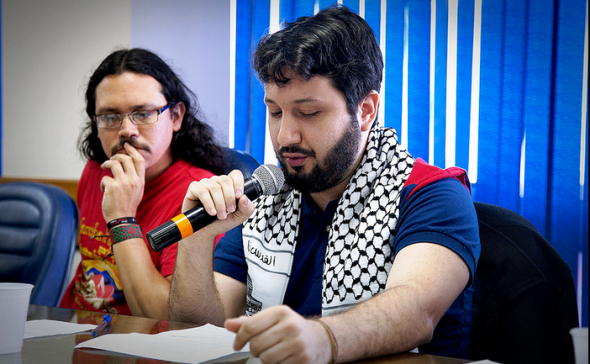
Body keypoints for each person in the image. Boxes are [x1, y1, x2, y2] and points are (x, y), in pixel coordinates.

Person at [169, 5, 480, 363]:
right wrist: (196, 240)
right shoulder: (265, 197)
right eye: (275, 112)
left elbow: (415, 311)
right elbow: (200, 332)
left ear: (365, 111)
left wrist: (322, 338)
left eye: (309, 112)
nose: (285, 136)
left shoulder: (432, 194)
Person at [60, 48, 225, 320]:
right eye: (110, 117)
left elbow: (169, 320)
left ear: (175, 117)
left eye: (144, 113)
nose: (126, 130)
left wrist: (122, 219)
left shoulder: (198, 194)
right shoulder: (95, 171)